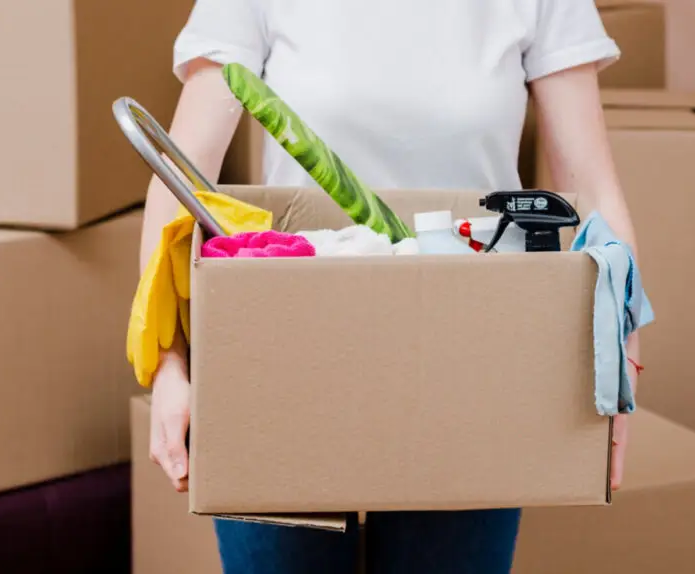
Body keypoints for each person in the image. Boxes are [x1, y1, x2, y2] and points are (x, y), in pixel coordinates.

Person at [139, 0, 642, 572]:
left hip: (471, 361)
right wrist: (167, 362)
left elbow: (593, 188)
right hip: (285, 354)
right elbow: (177, 177)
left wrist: (619, 355)